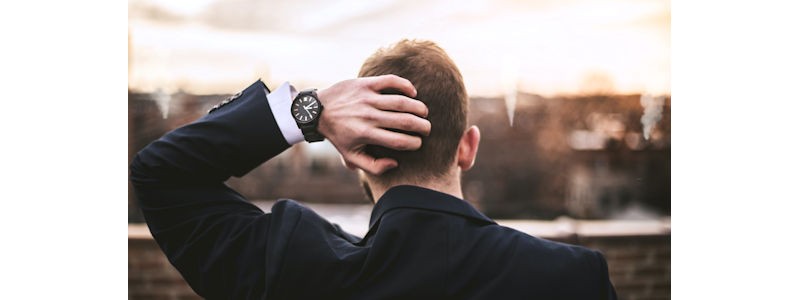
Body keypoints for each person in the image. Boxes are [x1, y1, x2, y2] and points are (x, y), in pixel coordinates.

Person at [130, 39, 617, 299]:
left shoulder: (287, 268)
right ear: (468, 147)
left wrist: (310, 110)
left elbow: (162, 173)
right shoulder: (570, 279)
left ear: (351, 153)